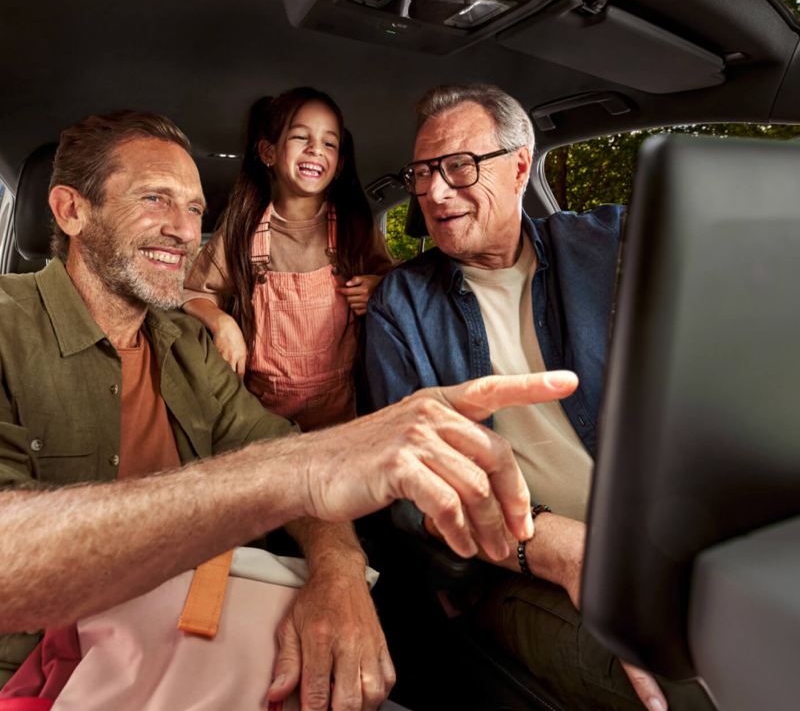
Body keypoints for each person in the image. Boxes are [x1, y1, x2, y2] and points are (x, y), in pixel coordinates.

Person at [0, 108, 583, 711]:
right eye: (156, 198)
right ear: (72, 210)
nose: (183, 230)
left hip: (200, 644)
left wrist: (338, 575)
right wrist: (298, 470)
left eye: (196, 209)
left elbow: (281, 450)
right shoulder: (5, 328)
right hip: (54, 680)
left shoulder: (186, 348)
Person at [363, 84, 714, 711]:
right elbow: (407, 488)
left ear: (521, 164)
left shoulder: (606, 243)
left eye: (458, 167)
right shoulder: (402, 306)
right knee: (691, 685)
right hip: (516, 566)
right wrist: (551, 544)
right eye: (422, 173)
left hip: (669, 533)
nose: (434, 192)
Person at [183, 88, 394, 431]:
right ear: (268, 152)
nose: (315, 149)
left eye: (329, 142)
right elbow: (192, 294)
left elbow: (399, 288)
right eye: (300, 137)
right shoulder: (242, 230)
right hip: (260, 420)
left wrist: (379, 288)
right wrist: (222, 323)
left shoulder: (355, 231)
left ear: (338, 164)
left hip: (340, 421)